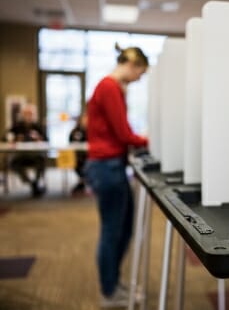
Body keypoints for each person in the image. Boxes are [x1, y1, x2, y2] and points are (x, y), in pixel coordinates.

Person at [84, 45, 149, 308]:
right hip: (107, 166)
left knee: (121, 229)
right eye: (140, 74)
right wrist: (147, 140)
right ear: (132, 65)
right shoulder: (110, 87)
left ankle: (113, 284)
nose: (139, 80)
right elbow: (123, 134)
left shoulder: (110, 87)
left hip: (108, 166)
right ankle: (109, 292)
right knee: (112, 231)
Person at [6, 105, 47, 197]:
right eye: (26, 114)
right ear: (23, 115)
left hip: (35, 155)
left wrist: (39, 139)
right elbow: (6, 137)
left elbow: (46, 140)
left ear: (33, 115)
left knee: (41, 161)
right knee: (14, 164)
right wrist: (15, 138)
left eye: (30, 114)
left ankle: (36, 182)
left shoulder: (37, 126)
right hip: (21, 155)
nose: (28, 116)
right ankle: (32, 184)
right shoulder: (17, 126)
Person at [68, 112, 87, 195]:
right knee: (76, 162)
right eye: (84, 119)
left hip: (91, 156)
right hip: (78, 156)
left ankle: (82, 182)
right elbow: (70, 141)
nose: (86, 121)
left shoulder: (93, 130)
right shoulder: (75, 131)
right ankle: (82, 182)